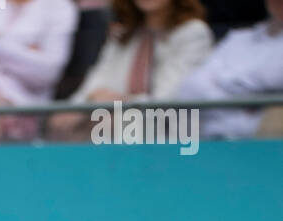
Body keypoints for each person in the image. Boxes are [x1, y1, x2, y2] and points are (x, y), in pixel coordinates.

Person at [49, 0, 213, 139]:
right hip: (117, 124)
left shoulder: (193, 33)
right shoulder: (124, 32)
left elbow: (166, 100)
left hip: (169, 133)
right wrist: (75, 109)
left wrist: (118, 101)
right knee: (61, 121)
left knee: (109, 122)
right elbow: (96, 82)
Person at [177, 0, 283, 140]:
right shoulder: (238, 38)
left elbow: (273, 77)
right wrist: (244, 98)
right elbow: (190, 89)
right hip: (212, 142)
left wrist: (223, 84)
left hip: (264, 147)